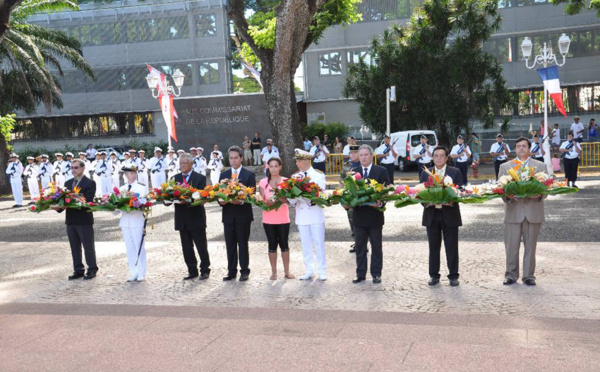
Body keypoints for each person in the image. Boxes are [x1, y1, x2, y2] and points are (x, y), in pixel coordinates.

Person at [499, 137, 547, 286]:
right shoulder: (506, 167)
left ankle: (528, 276)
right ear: (515, 149)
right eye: (518, 146)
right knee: (511, 246)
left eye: (524, 146)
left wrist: (539, 195)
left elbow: (546, 189)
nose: (521, 148)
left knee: (530, 247)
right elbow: (500, 189)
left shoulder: (540, 166)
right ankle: (511, 275)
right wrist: (507, 196)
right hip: (513, 211)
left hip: (533, 211)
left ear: (529, 149)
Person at [420, 147, 464, 286]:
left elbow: (460, 191)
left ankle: (453, 276)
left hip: (450, 214)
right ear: (432, 158)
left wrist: (451, 200)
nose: (439, 158)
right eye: (436, 156)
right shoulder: (426, 173)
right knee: (433, 247)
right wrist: (426, 202)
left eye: (441, 156)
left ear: (446, 158)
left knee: (451, 246)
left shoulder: (455, 172)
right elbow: (420, 193)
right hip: (431, 214)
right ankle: (433, 275)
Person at [350, 145, 390, 284]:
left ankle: (376, 274)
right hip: (359, 216)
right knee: (360, 247)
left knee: (376, 246)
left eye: (366, 155)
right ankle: (360, 274)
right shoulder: (353, 173)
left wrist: (380, 203)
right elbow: (349, 193)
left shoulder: (381, 171)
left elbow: (387, 191)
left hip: (375, 216)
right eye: (361, 155)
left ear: (371, 156)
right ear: (358, 157)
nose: (364, 157)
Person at [56, 159, 98, 280]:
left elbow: (88, 200)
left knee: (88, 246)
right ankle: (78, 269)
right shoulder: (68, 183)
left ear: (83, 168)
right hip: (71, 220)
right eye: (72, 168)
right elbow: (63, 200)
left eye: (76, 167)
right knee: (74, 247)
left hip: (84, 220)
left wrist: (70, 203)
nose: (74, 170)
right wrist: (58, 207)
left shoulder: (90, 183)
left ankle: (92, 269)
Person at [171, 153, 211, 281]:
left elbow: (202, 196)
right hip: (181, 218)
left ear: (191, 164)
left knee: (201, 246)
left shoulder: (199, 178)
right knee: (186, 247)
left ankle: (205, 270)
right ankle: (192, 270)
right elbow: (169, 195)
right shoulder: (174, 178)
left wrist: (188, 200)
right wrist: (166, 199)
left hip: (196, 217)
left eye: (184, 163)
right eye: (180, 163)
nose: (182, 165)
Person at [289, 149, 327, 281]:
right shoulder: (295, 177)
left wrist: (305, 198)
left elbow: (320, 194)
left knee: (318, 243)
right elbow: (291, 199)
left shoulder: (318, 175)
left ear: (306, 160)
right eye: (297, 161)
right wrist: (292, 198)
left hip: (315, 214)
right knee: (305, 244)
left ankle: (322, 270)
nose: (297, 164)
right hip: (302, 215)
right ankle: (309, 270)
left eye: (299, 161)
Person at [219, 146, 256, 281]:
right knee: (230, 244)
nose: (233, 161)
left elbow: (251, 196)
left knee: (242, 243)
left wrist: (239, 201)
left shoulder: (249, 175)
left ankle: (244, 270)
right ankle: (231, 271)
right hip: (228, 216)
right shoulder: (223, 175)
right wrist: (221, 201)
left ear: (241, 158)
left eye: (236, 158)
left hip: (243, 216)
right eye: (231, 158)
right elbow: (219, 194)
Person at [259, 157, 295, 280]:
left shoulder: (286, 181)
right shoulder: (263, 182)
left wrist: (285, 201)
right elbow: (261, 202)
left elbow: (291, 201)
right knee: (272, 245)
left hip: (283, 219)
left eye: (276, 166)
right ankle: (274, 272)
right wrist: (267, 203)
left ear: (280, 167)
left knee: (284, 244)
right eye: (271, 166)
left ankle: (287, 271)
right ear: (267, 167)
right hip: (268, 219)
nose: (273, 169)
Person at [118, 165, 148, 282]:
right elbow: (117, 208)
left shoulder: (141, 188)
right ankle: (133, 271)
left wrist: (136, 200)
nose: (133, 175)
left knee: (139, 246)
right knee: (129, 247)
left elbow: (144, 201)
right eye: (130, 173)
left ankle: (141, 272)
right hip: (125, 221)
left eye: (134, 173)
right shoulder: (122, 188)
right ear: (126, 175)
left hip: (137, 220)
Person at [340, 144, 361, 253]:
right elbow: (341, 183)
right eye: (351, 153)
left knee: (362, 221)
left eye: (355, 153)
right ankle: (357, 242)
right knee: (351, 220)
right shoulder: (346, 166)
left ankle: (362, 243)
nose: (353, 155)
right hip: (349, 199)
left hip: (362, 198)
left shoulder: (364, 164)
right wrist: (342, 200)